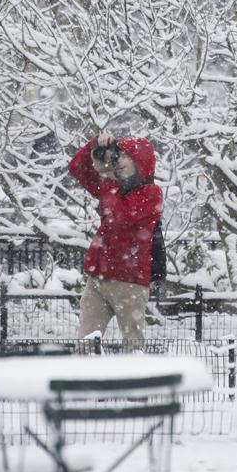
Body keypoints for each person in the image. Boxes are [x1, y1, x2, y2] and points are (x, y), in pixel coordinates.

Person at [68, 131, 163, 351]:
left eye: (126, 156)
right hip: (99, 277)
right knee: (85, 342)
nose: (119, 161)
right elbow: (76, 168)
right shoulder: (113, 187)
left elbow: (118, 217)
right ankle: (84, 381)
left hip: (130, 282)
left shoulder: (151, 193)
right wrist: (95, 145)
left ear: (141, 162)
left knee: (133, 344)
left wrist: (107, 177)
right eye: (117, 155)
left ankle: (132, 382)